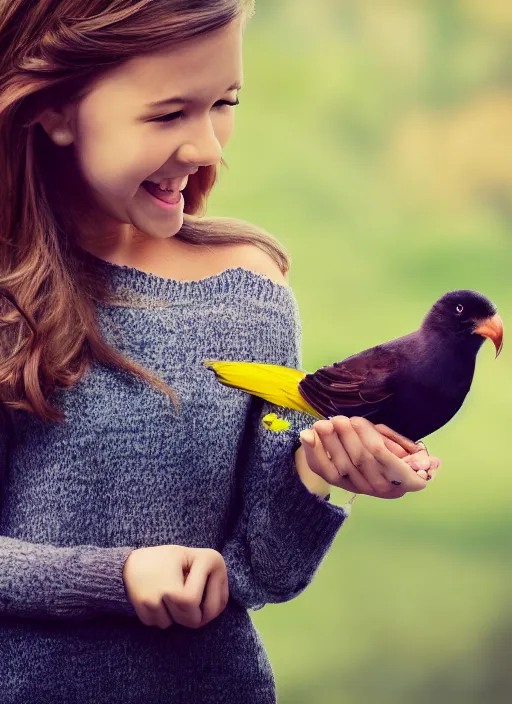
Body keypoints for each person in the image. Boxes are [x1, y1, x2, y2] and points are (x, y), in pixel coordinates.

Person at [0, 1, 441, 702]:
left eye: (223, 103)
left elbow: (267, 572)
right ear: (54, 110)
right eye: (168, 114)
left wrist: (314, 470)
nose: (209, 148)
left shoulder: (248, 293)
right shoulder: (10, 297)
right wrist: (115, 578)